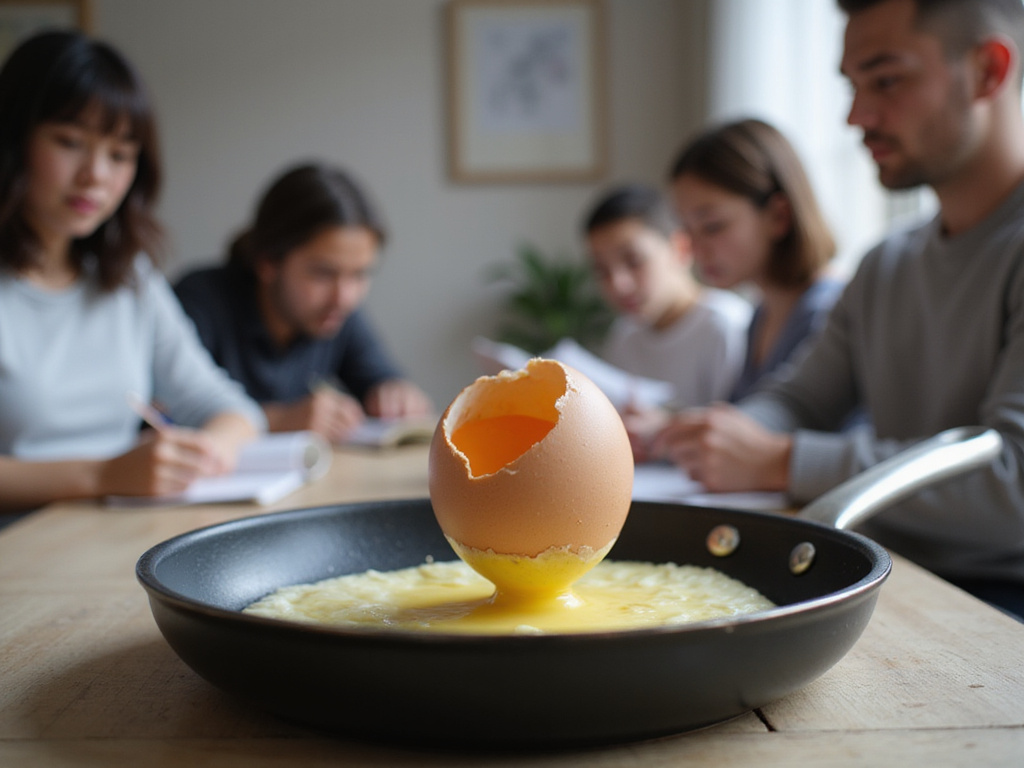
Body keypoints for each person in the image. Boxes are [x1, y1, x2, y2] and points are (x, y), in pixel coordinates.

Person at [654, 0, 1024, 618]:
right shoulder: (885, 264)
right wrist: (721, 435)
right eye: (852, 86)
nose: (857, 116)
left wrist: (781, 460)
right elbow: (798, 400)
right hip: (887, 577)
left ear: (988, 70)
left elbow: (1013, 485)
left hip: (995, 609)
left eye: (885, 80)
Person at [0, 30, 264, 513]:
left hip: (108, 535)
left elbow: (229, 409)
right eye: (70, 142)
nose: (96, 175)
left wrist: (205, 452)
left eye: (120, 155)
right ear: (13, 138)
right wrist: (102, 475)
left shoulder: (128, 278)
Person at [174, 162, 432, 444]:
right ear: (268, 262)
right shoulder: (199, 303)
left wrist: (394, 393)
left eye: (360, 274)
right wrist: (277, 420)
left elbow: (380, 377)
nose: (345, 297)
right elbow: (158, 419)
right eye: (323, 273)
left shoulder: (336, 311)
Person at [668, 118, 843, 402]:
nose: (697, 250)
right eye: (687, 231)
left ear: (778, 216)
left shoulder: (827, 315)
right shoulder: (762, 315)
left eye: (712, 226)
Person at [581, 183, 752, 457]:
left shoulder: (726, 325)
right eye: (602, 270)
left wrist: (664, 430)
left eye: (634, 261)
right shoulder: (624, 334)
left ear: (680, 249)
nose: (618, 284)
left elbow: (739, 434)